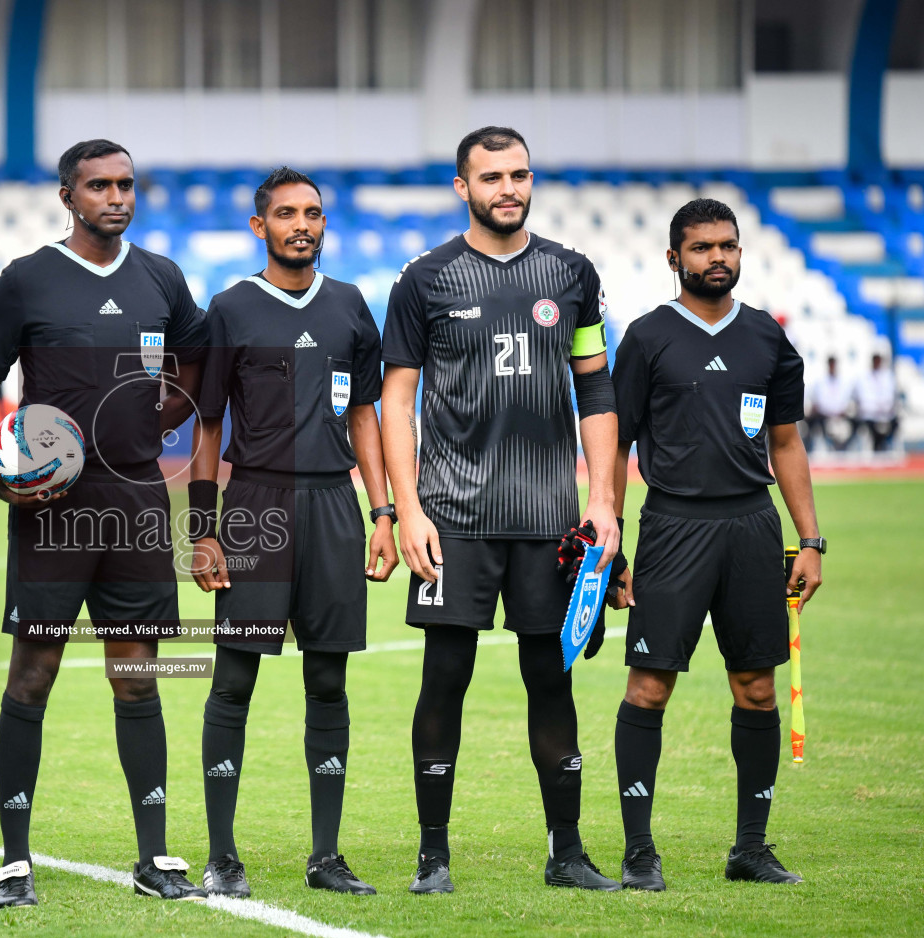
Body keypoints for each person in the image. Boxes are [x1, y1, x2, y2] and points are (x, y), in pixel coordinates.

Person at [379, 126, 622, 895]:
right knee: (444, 676)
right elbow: (395, 402)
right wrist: (407, 510)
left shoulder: (572, 274)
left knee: (553, 681)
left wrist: (605, 501)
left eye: (519, 174)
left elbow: (597, 389)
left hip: (551, 521)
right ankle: (432, 857)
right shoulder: (425, 279)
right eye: (492, 176)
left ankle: (568, 852)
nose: (508, 188)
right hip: (452, 518)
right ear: (463, 186)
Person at [0, 139, 208, 906]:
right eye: (99, 185)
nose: (116, 196)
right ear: (68, 196)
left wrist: (166, 413)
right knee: (32, 676)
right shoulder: (26, 281)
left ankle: (156, 858)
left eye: (126, 184)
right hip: (52, 509)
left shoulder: (162, 278)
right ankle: (14, 861)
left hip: (138, 501)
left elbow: (200, 359)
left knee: (137, 677)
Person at [188, 167, 397, 898]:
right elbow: (209, 425)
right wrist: (203, 530)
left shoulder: (348, 306)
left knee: (329, 680)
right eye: (285, 213)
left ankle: (326, 856)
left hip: (336, 509)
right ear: (260, 226)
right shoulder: (230, 308)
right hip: (256, 503)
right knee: (235, 678)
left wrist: (383, 512)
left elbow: (364, 414)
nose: (301, 224)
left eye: (311, 213)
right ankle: (222, 855)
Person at [609, 198, 823, 890]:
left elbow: (786, 443)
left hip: (753, 527)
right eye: (701, 248)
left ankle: (751, 849)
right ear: (674, 258)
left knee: (757, 689)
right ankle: (640, 851)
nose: (717, 258)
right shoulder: (646, 338)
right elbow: (614, 447)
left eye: (727, 246)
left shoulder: (768, 338)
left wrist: (810, 539)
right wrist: (609, 537)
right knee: (649, 686)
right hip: (672, 526)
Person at [805, 356, 852, 452]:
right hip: (823, 417)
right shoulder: (820, 382)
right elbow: (818, 402)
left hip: (840, 417)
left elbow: (846, 402)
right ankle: (811, 449)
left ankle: (844, 450)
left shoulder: (843, 382)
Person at [854, 353, 898, 452]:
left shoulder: (888, 377)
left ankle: (887, 446)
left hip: (886, 414)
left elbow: (890, 396)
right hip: (870, 415)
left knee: (895, 423)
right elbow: (863, 398)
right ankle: (875, 447)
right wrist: (875, 408)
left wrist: (884, 408)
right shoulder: (864, 378)